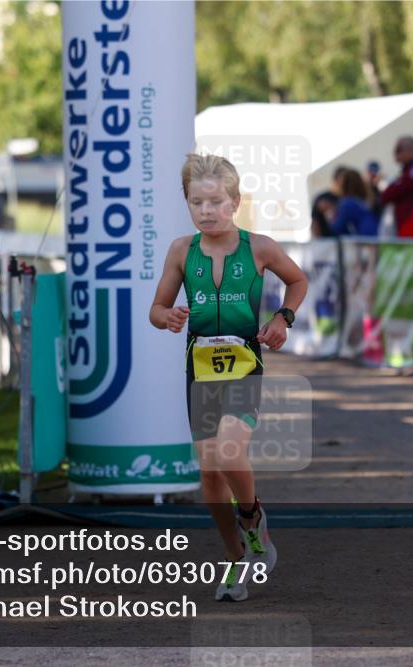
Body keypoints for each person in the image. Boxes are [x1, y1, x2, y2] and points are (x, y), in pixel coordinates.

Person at [150, 154, 308, 602]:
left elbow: (298, 281)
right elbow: (155, 309)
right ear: (187, 204)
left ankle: (253, 516)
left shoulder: (259, 247)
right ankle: (237, 558)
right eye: (196, 202)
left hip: (244, 364)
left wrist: (283, 318)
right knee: (209, 473)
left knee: (229, 450)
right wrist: (169, 316)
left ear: (235, 201)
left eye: (216, 201)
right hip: (199, 370)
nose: (206, 210)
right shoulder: (182, 251)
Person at [378, 136, 413, 238]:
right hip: (404, 224)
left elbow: (389, 194)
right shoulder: (408, 172)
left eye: (399, 150)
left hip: (412, 223)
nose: (395, 153)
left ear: (411, 151)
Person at [330, 169, 378, 237]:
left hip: (363, 241)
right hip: (374, 237)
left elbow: (337, 228)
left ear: (344, 185)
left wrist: (330, 217)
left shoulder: (347, 203)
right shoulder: (366, 199)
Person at [310, 166, 346, 238]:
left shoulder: (348, 199)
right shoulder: (322, 198)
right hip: (327, 241)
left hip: (345, 241)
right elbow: (315, 224)